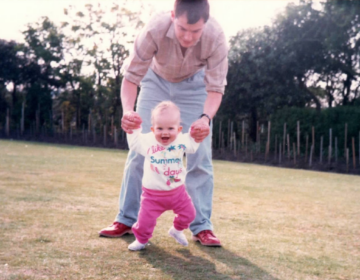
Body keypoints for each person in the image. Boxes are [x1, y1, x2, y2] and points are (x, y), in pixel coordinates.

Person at [99, 0, 228, 246]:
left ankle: (201, 226)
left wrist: (204, 119)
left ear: (206, 24)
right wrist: (128, 111)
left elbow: (216, 88)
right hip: (155, 80)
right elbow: (131, 77)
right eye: (182, 29)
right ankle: (126, 219)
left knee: (200, 153)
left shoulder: (217, 37)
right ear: (172, 16)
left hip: (195, 85)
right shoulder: (154, 28)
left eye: (196, 31)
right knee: (141, 150)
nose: (189, 37)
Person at [127, 101, 199, 251]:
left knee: (190, 214)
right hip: (152, 196)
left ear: (179, 130)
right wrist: (134, 129)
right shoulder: (148, 141)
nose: (165, 132)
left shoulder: (181, 140)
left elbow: (192, 146)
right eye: (160, 128)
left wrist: (195, 135)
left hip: (178, 193)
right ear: (152, 129)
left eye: (170, 128)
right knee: (145, 221)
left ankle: (177, 230)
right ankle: (141, 240)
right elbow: (134, 144)